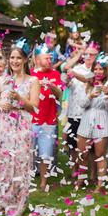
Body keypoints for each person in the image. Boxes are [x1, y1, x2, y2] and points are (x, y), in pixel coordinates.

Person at [0, 44, 40, 216]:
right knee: (4, 163)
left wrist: (19, 98)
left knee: (19, 163)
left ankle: (19, 202)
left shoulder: (33, 81)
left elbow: (34, 107)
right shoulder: (4, 79)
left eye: (18, 58)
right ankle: (5, 197)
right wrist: (1, 103)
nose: (15, 61)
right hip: (4, 124)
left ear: (25, 60)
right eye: (12, 58)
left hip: (22, 124)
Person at [76, 53, 108, 193]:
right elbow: (81, 103)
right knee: (83, 154)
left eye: (101, 69)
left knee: (99, 155)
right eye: (96, 69)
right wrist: (90, 96)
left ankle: (100, 184)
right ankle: (81, 180)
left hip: (102, 122)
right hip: (86, 121)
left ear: (106, 71)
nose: (98, 72)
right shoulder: (87, 84)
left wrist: (107, 95)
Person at [62, 41, 98, 178]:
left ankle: (93, 173)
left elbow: (89, 80)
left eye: (92, 54)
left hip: (91, 114)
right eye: (86, 54)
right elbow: (66, 71)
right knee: (73, 144)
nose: (89, 57)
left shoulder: (98, 70)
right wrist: (67, 79)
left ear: (97, 55)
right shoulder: (77, 68)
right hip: (74, 112)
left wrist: (74, 74)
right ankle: (75, 169)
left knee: (93, 147)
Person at [30, 42, 62, 191]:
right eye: (46, 58)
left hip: (49, 121)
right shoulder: (31, 74)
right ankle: (27, 180)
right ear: (37, 60)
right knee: (28, 152)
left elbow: (60, 95)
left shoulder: (56, 74)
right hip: (31, 119)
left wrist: (53, 87)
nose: (50, 61)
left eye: (50, 58)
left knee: (45, 154)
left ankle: (43, 182)